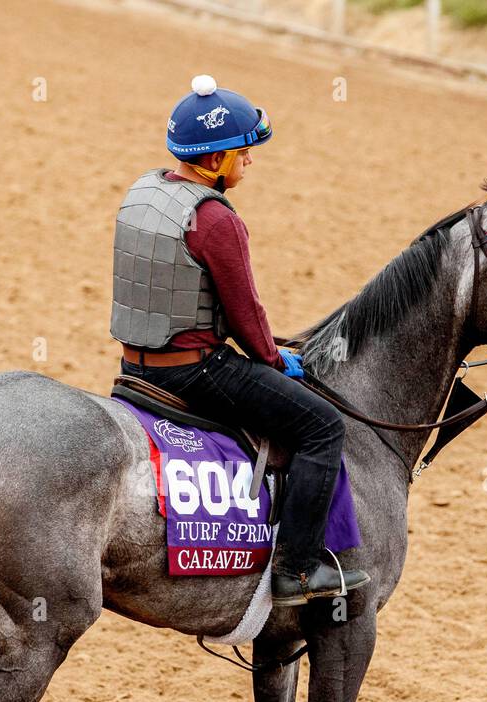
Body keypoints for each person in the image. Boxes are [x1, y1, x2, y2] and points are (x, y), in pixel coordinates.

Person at [110, 75, 370, 607]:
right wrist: (275, 359)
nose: (249, 161)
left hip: (135, 367)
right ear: (214, 160)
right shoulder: (215, 220)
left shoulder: (144, 192)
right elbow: (246, 316)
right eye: (242, 152)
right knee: (322, 426)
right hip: (193, 371)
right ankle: (297, 572)